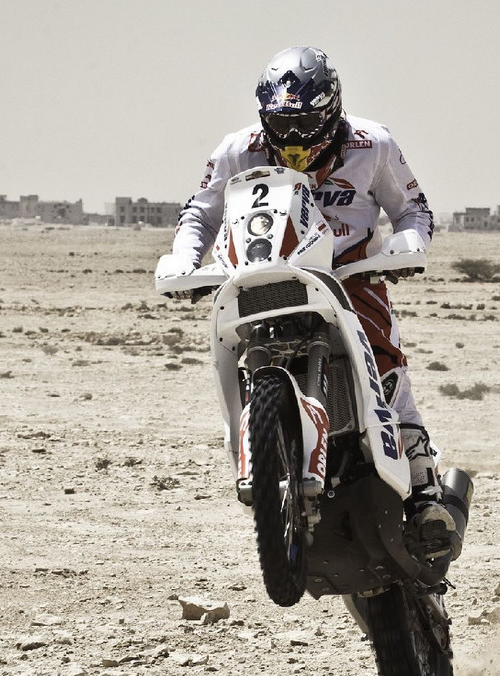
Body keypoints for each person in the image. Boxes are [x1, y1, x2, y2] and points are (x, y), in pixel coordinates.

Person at [168, 45, 454, 542]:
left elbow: (413, 209)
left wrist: (407, 246)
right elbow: (200, 212)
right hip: (264, 278)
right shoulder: (238, 149)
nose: (295, 137)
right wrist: (182, 260)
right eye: (283, 125)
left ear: (332, 111)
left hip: (350, 276)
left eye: (305, 124)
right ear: (265, 118)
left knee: (387, 367)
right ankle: (262, 456)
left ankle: (425, 492)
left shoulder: (374, 144)